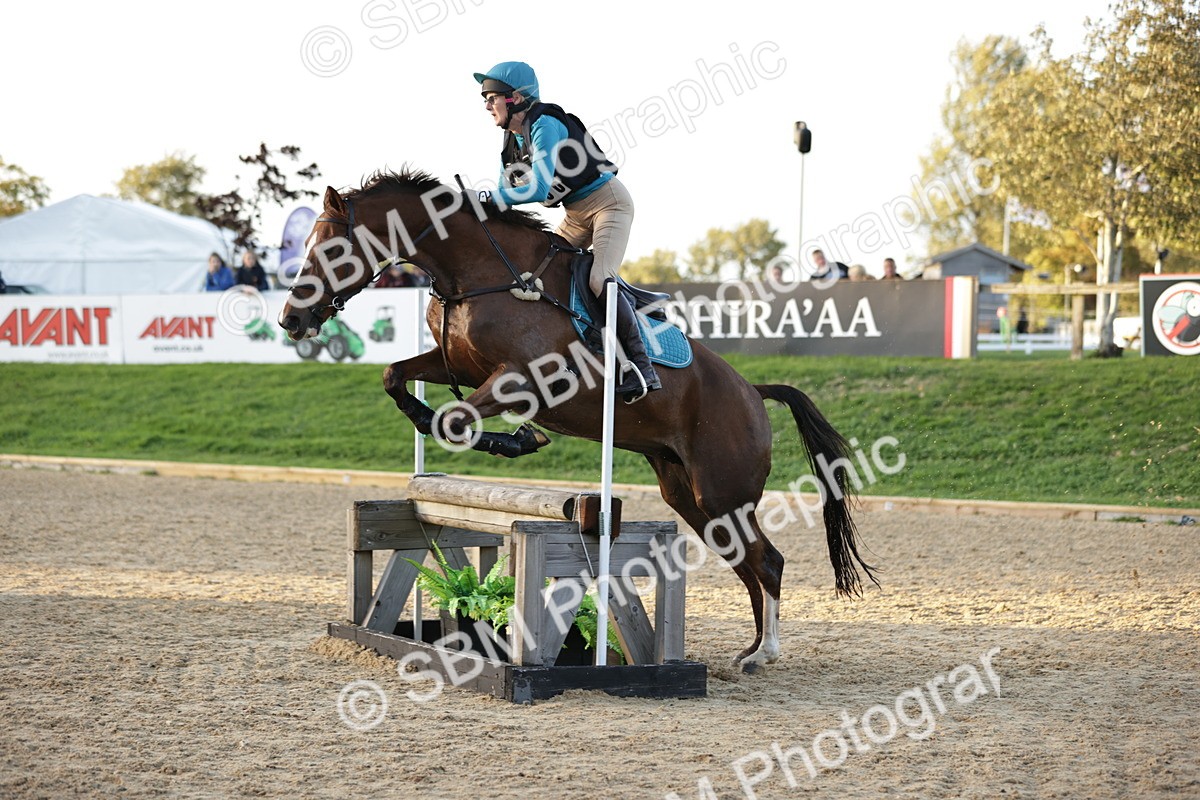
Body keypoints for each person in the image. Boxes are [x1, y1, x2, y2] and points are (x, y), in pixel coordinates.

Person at [473, 61, 660, 404]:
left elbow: (539, 188)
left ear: (515, 98)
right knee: (540, 273)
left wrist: (485, 197)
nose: (486, 106)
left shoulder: (545, 124)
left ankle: (641, 367)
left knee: (599, 279)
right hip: (574, 215)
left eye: (491, 97)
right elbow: (503, 197)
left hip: (608, 205)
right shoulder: (511, 142)